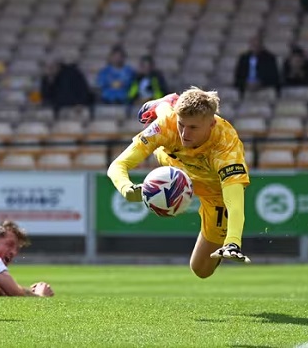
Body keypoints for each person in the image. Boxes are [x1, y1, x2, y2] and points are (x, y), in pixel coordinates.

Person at [108, 88, 252, 279]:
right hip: (174, 165)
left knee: (201, 270)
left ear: (211, 123)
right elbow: (117, 165)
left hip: (214, 190)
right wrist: (126, 188)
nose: (184, 133)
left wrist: (233, 242)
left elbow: (235, 201)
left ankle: (165, 103)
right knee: (164, 124)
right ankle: (166, 104)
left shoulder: (226, 146)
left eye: (193, 127)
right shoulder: (167, 125)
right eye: (181, 125)